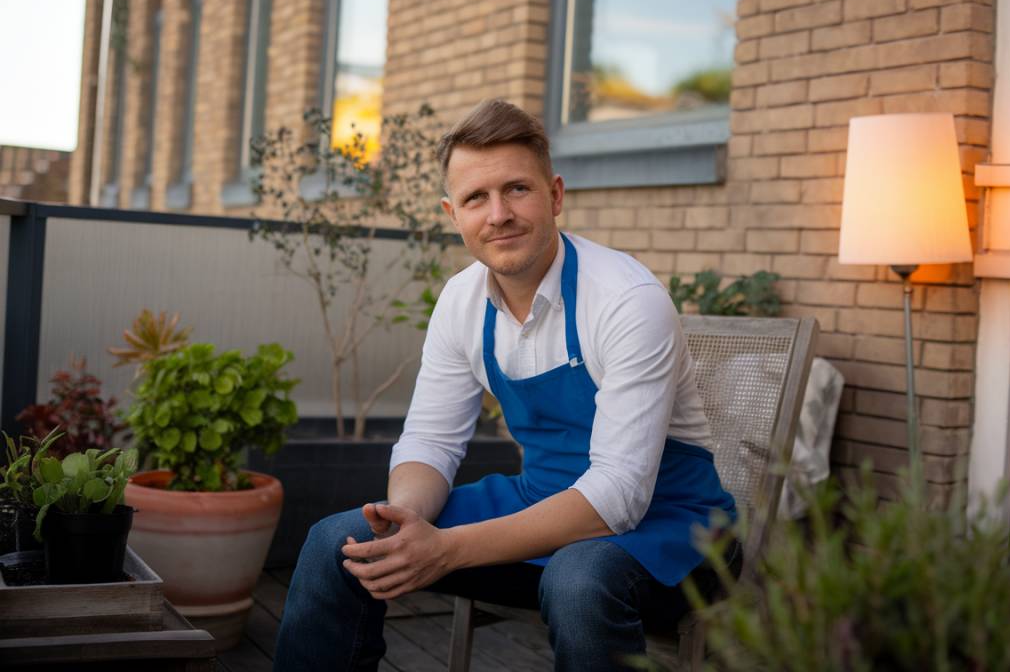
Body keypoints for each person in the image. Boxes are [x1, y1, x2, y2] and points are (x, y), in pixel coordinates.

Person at [274, 99, 738, 672]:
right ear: (454, 213)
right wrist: (408, 526)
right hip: (539, 503)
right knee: (336, 542)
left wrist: (444, 550)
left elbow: (618, 496)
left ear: (555, 196)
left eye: (517, 189)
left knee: (578, 579)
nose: (499, 214)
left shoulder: (626, 300)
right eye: (476, 198)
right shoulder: (460, 301)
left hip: (671, 527)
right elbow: (430, 443)